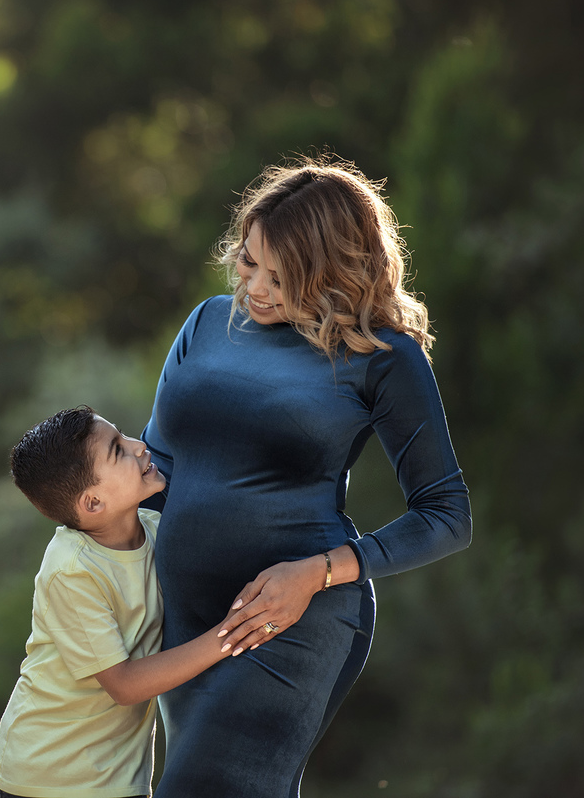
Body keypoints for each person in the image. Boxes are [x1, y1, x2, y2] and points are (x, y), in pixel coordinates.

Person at [140, 155, 473, 796]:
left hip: (293, 618)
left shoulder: (381, 356)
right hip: (182, 621)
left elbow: (446, 514)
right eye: (249, 262)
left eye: (283, 273)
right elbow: (157, 472)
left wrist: (317, 572)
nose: (257, 288)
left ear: (330, 271)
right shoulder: (209, 323)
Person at [0, 406, 236, 798]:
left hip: (119, 777)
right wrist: (232, 635)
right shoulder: (71, 570)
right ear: (92, 503)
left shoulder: (158, 532)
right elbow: (123, 684)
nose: (140, 446)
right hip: (48, 777)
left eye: (123, 436)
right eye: (118, 450)